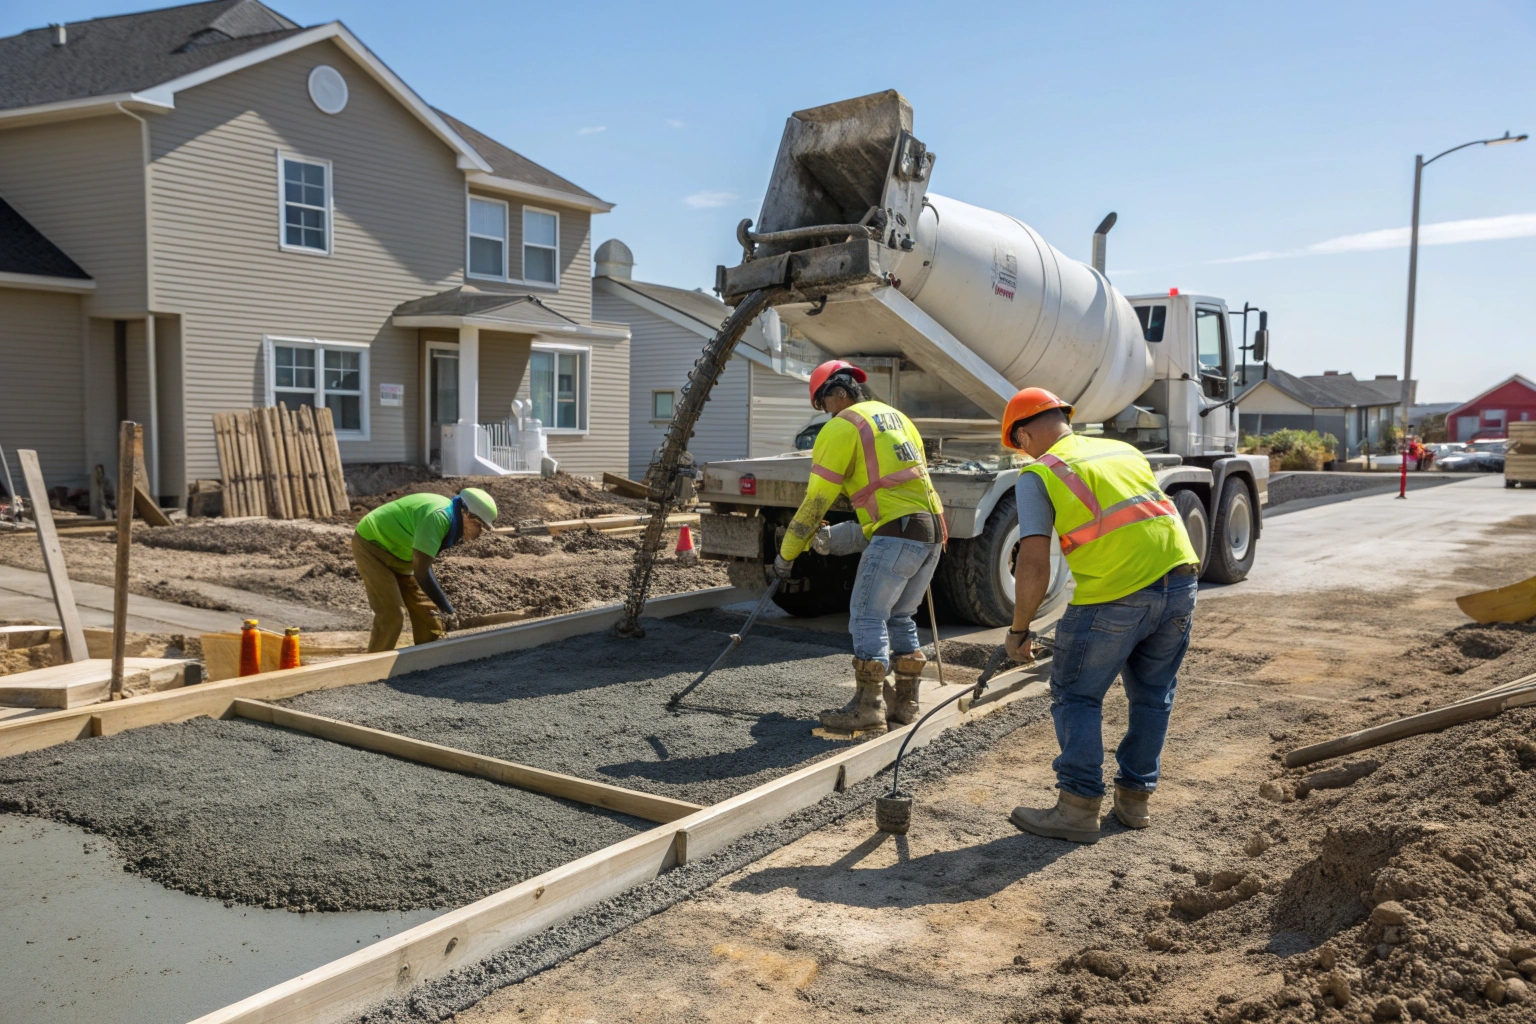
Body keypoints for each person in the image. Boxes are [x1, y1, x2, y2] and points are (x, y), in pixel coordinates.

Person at [1000, 388, 1200, 844]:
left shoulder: (1039, 472)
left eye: (1020, 444)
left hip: (1115, 593)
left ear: (1026, 433)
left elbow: (1033, 560)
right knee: (1152, 695)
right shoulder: (1122, 450)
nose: (1023, 453)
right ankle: (1134, 802)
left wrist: (1019, 628)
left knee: (1076, 694)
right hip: (1180, 584)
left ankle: (1077, 806)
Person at [775, 360, 946, 735]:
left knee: (867, 616)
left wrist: (787, 553)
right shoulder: (898, 419)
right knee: (900, 617)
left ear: (838, 392)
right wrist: (832, 540)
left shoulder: (844, 426)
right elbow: (889, 501)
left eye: (823, 404)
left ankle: (867, 709)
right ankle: (905, 703)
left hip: (898, 533)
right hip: (931, 532)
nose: (825, 413)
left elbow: (815, 502)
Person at [351, 487, 498, 652]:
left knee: (428, 616)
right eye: (479, 526)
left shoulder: (450, 520)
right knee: (392, 616)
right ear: (467, 514)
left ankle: (428, 662)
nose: (480, 533)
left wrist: (441, 608)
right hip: (372, 545)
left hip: (401, 554)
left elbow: (422, 565)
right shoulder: (438, 518)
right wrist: (447, 609)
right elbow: (421, 572)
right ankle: (372, 669)